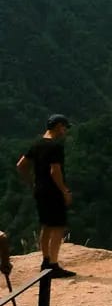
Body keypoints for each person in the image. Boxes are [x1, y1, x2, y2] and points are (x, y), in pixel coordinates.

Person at [15, 115, 75, 278]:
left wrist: (31, 182)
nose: (65, 131)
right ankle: (54, 265)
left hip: (40, 190)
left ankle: (46, 261)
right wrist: (64, 191)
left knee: (46, 226)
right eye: (64, 127)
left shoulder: (37, 143)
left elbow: (20, 165)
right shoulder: (55, 146)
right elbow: (55, 171)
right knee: (58, 226)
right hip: (53, 191)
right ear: (58, 126)